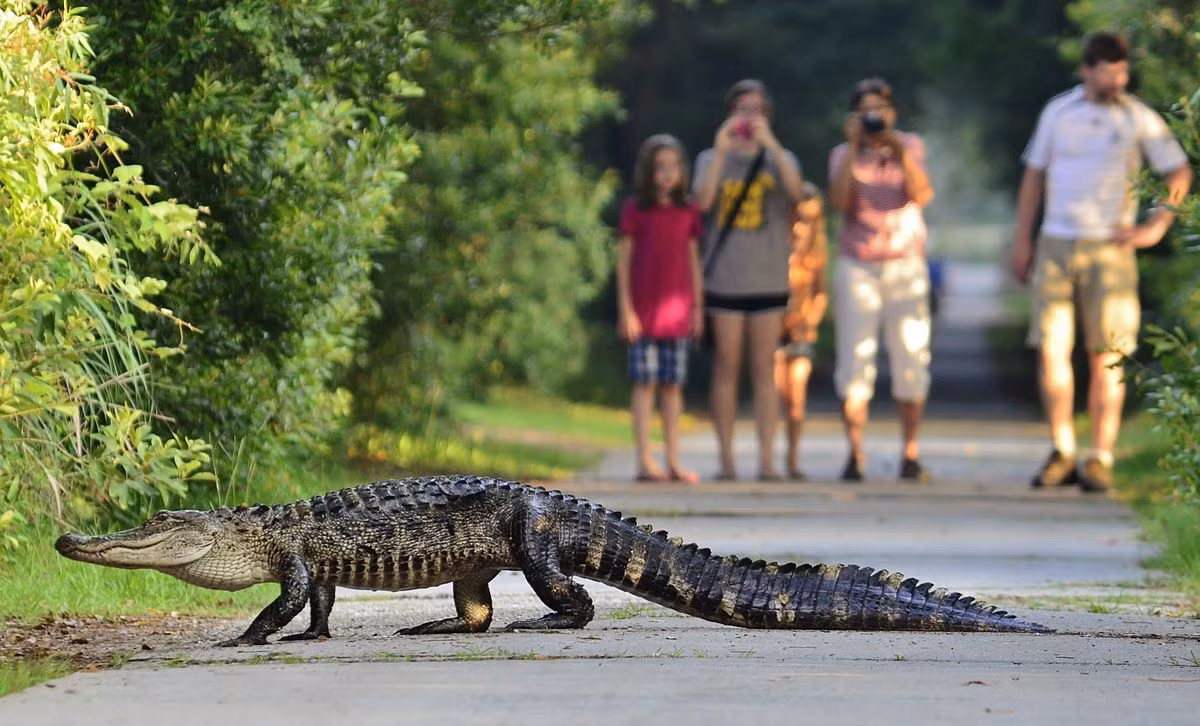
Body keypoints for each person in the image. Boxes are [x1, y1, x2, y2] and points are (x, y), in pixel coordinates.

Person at [1011, 31, 1192, 493]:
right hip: (1057, 240)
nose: (1116, 79)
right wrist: (1022, 240)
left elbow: (1178, 169)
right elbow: (1034, 177)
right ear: (1087, 70)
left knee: (1107, 354)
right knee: (1052, 348)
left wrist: (1155, 226)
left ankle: (1101, 457)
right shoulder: (1059, 111)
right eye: (1107, 70)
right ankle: (1062, 448)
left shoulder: (1137, 117)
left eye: (1122, 70)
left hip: (1111, 247)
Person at [693, 79, 805, 481]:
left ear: (767, 115)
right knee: (725, 367)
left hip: (769, 280)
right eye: (741, 107)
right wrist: (723, 150)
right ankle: (726, 460)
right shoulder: (710, 158)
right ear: (729, 112)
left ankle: (767, 461)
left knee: (764, 369)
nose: (748, 115)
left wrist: (771, 144)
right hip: (724, 280)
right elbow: (703, 203)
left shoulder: (782, 158)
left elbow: (796, 196)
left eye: (756, 108)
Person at [828, 77, 936, 483]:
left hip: (905, 263)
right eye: (866, 111)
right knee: (854, 360)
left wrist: (897, 150)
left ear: (892, 113)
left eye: (880, 110)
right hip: (859, 264)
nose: (874, 118)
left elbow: (922, 195)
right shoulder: (843, 153)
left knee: (912, 358)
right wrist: (855, 147)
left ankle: (911, 453)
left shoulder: (911, 146)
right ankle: (856, 454)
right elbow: (838, 202)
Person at [616, 134, 705, 483]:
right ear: (648, 172)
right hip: (643, 312)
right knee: (644, 383)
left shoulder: (688, 210)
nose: (667, 174)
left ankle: (673, 460)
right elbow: (623, 262)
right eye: (660, 168)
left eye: (674, 167)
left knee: (672, 386)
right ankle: (644, 461)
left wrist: (698, 307)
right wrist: (626, 309)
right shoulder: (635, 210)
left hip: (678, 314)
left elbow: (693, 260)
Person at [774, 183, 829, 480]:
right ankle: (767, 456)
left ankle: (792, 458)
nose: (799, 227)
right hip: (772, 332)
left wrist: (809, 320)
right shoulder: (774, 250)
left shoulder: (816, 255)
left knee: (795, 398)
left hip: (802, 333)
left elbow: (822, 293)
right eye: (795, 218)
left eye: (807, 221)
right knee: (772, 393)